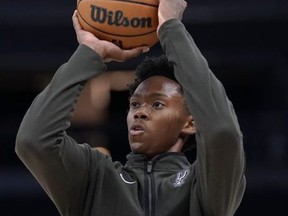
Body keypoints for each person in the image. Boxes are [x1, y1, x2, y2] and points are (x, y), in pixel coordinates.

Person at [15, 0, 246, 215]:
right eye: (134, 104)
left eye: (157, 104)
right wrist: (90, 53)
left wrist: (171, 29)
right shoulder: (95, 178)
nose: (139, 111)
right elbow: (34, 140)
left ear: (191, 122)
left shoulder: (204, 185)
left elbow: (222, 132)